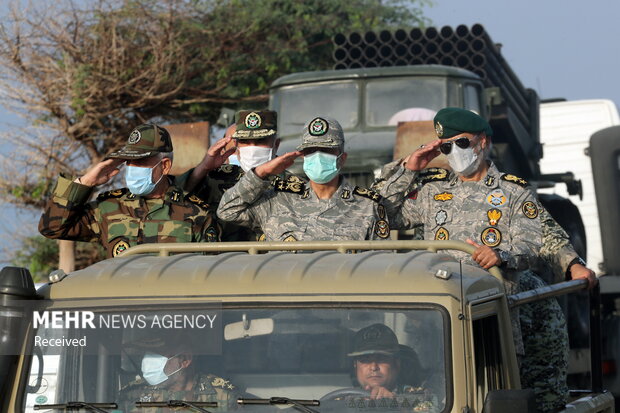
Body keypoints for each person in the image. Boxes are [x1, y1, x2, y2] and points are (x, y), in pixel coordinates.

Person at [397, 107, 568, 412]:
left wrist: (502, 255)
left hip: (492, 319)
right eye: (446, 147)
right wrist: (407, 169)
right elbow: (379, 212)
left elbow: (532, 244)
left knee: (497, 398)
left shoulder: (514, 191)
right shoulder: (431, 191)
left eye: (461, 143)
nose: (455, 152)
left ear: (483, 142)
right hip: (441, 321)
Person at [216, 116, 415, 241]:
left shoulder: (367, 205)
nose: (318, 156)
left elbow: (378, 263)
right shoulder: (277, 200)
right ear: (302, 156)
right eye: (311, 150)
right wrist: (262, 173)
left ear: (342, 158)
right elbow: (227, 211)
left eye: (326, 150)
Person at [39, 123, 219, 258]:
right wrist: (86, 181)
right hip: (123, 305)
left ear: (164, 166)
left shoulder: (198, 212)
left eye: (140, 161)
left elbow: (211, 272)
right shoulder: (109, 208)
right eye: (128, 160)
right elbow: (52, 228)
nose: (132, 166)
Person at [179, 110, 282, 241]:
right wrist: (203, 167)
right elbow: (177, 198)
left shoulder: (290, 184)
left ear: (276, 145)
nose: (252, 149)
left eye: (259, 141)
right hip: (224, 257)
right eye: (245, 141)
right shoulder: (216, 179)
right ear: (237, 146)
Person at [120, 336, 238, 412]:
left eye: (156, 355)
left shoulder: (223, 396)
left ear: (185, 360)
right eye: (146, 354)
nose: (147, 361)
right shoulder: (131, 394)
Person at [345, 323, 435, 409]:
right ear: (355, 365)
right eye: (365, 360)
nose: (373, 367)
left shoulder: (420, 398)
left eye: (381, 359)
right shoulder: (342, 400)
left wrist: (393, 406)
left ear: (396, 363)